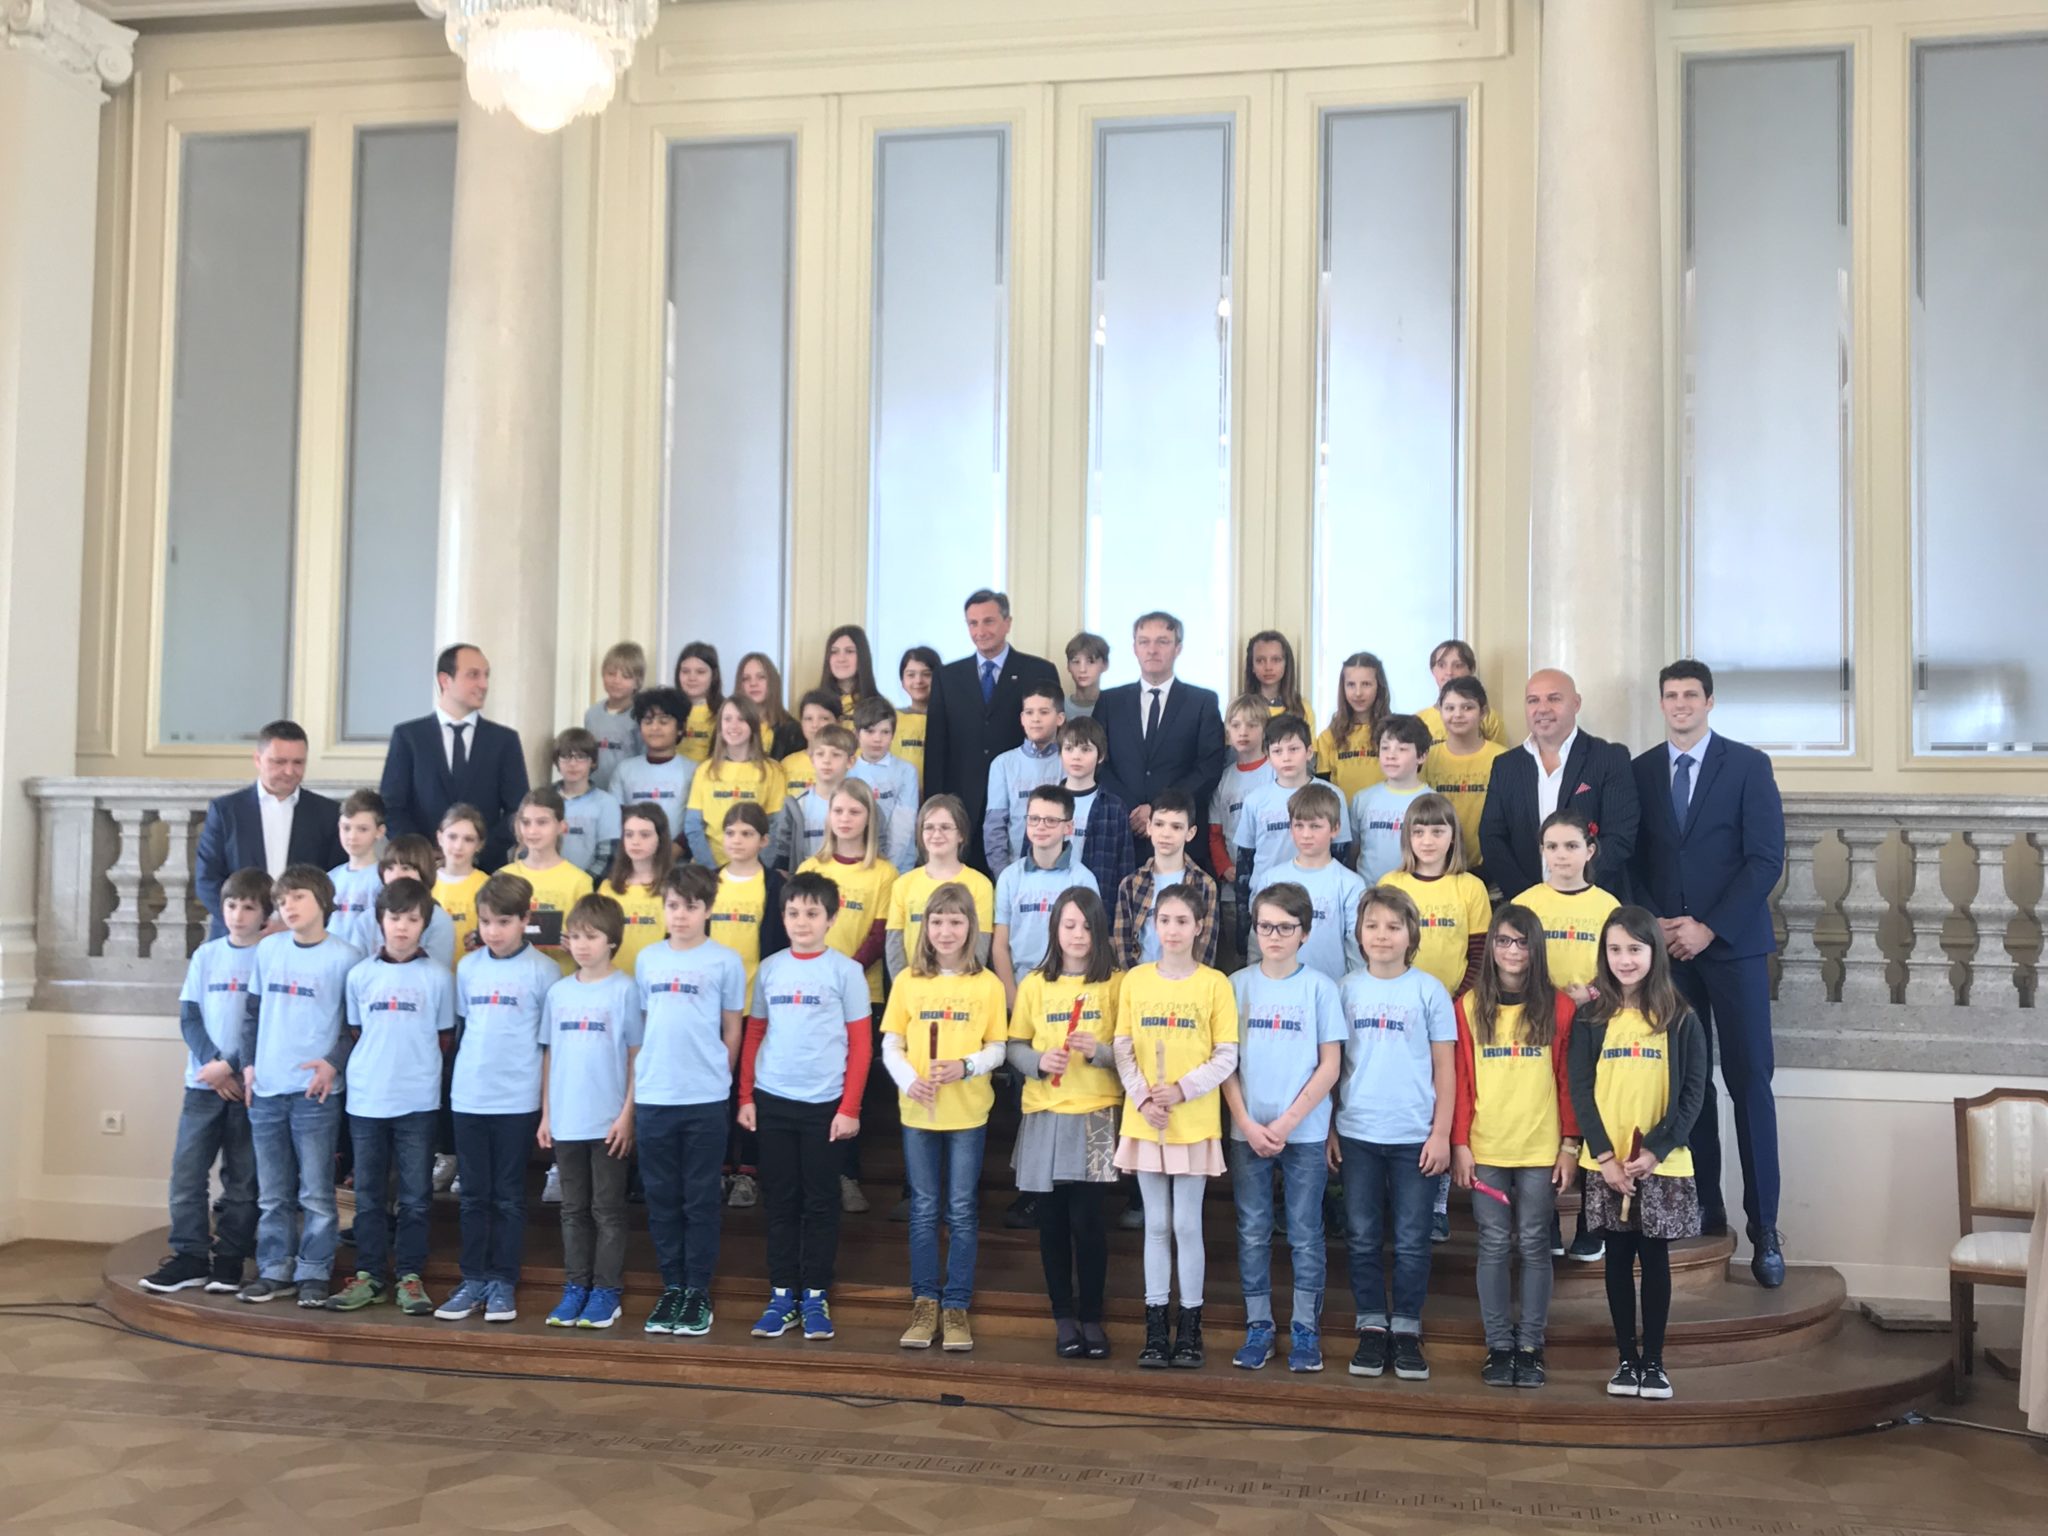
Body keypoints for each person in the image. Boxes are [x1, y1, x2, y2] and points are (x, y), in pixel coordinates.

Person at [1629, 659, 1787, 1283]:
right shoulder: (1642, 770)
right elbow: (1631, 859)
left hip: (1734, 950)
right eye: (1670, 695)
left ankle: (1766, 1230)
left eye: (1691, 695)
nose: (1681, 704)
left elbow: (1764, 859)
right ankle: (1705, 1207)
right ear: (1661, 703)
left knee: (1750, 1084)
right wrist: (1658, 924)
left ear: (1710, 701)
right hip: (1669, 955)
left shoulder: (1748, 766)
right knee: (1688, 1088)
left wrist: (1709, 927)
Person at [1567, 906, 1708, 1402]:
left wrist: (1656, 1150)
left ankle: (1655, 1363)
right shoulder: (1591, 1017)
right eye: (1615, 950)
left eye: (1634, 949)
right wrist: (1605, 1157)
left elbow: (1693, 1093)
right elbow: (1580, 1090)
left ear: (1654, 953)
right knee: (1617, 1259)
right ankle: (1626, 1359)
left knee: (1654, 1258)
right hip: (1607, 1165)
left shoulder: (1680, 1017)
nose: (1624, 959)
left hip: (1659, 1162)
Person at [739, 870, 873, 1342]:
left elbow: (861, 1045)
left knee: (820, 1203)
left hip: (825, 1105)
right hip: (773, 1100)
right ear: (783, 917)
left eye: (812, 913)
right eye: (793, 913)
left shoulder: (846, 972)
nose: (802, 921)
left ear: (831, 919)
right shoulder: (770, 968)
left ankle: (815, 1294)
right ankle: (781, 1295)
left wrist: (850, 1107)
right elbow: (755, 1033)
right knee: (780, 1202)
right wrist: (746, 1096)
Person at [1450, 904, 1579, 1390]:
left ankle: (1530, 1345)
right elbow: (1460, 1082)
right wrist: (1459, 1143)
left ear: (1536, 948)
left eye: (1522, 942)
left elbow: (1568, 1082)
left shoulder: (1559, 1007)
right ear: (1491, 948)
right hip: (1486, 1149)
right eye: (1503, 941)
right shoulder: (1467, 1007)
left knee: (1534, 1243)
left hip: (1540, 1150)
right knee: (1492, 1243)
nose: (1512, 951)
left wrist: (1569, 1145)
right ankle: (1499, 1345)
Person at [1330, 884, 1454, 1383]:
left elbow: (1446, 1069)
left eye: (1393, 926)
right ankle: (1370, 1325)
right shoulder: (1344, 989)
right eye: (1372, 926)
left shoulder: (1429, 991)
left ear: (1411, 934)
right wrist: (1329, 1128)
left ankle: (1405, 1326)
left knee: (1411, 1238)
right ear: (1359, 934)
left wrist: (1441, 1133)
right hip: (1357, 1132)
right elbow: (1332, 1066)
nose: (1382, 935)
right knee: (1361, 1234)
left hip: (1414, 1135)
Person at [1222, 883, 1346, 1374]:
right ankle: (1259, 1326)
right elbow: (1225, 1063)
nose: (1274, 936)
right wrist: (1246, 1122)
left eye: (1285, 927)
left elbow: (1330, 1065)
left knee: (1305, 1233)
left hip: (1305, 1132)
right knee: (1253, 1230)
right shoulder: (1236, 985)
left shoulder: (1320, 988)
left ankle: (1305, 1330)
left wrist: (1289, 1121)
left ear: (1305, 933)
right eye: (1265, 926)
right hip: (1248, 1131)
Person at [1114, 883, 1238, 1369]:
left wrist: (1183, 1089)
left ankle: (1189, 1328)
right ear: (1153, 925)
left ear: (1199, 927)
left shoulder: (1215, 984)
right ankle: (1154, 1327)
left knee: (1187, 1224)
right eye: (1164, 920)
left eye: (1182, 921)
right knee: (1157, 1225)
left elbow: (1226, 1055)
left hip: (1193, 1120)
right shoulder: (1136, 981)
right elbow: (1123, 1047)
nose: (1172, 930)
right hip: (1147, 1119)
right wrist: (1144, 1097)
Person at [881, 882, 1008, 1352]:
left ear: (971, 927)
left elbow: (998, 1047)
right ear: (925, 927)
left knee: (961, 1209)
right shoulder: (909, 981)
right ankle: (924, 1302)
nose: (946, 931)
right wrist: (907, 1079)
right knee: (923, 1209)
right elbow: (891, 1044)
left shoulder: (987, 984)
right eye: (937, 921)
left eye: (956, 921)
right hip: (919, 1111)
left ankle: (956, 1305)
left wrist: (966, 1066)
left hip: (967, 1113)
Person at [138, 868, 271, 1296]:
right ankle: (190, 1257)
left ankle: (229, 1259)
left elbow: (264, 1023)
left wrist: (232, 1067)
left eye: (248, 907)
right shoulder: (206, 955)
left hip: (247, 1087)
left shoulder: (270, 957)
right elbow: (190, 1017)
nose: (238, 915)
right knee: (187, 1174)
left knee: (243, 1180)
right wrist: (214, 1066)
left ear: (265, 914)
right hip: (203, 1085)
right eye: (231, 905)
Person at [237, 865, 362, 1308]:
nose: (288, 907)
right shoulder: (269, 950)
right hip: (267, 1088)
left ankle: (313, 1271)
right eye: (282, 900)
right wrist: (248, 1066)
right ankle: (275, 1270)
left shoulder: (346, 956)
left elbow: (354, 1026)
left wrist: (332, 1064)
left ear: (322, 901)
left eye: (298, 897)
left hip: (315, 1092)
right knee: (273, 1193)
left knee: (316, 1193)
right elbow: (251, 1014)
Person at [329, 877, 454, 1316]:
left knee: (415, 1195)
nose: (402, 927)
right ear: (380, 921)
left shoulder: (439, 978)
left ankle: (410, 1277)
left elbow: (443, 1037)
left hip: (418, 1100)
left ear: (425, 924)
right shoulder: (360, 975)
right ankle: (368, 1276)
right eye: (394, 917)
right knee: (368, 1193)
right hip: (367, 1098)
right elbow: (356, 1031)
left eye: (412, 919)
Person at [1008, 888, 1123, 1360]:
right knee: (1052, 1223)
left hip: (1096, 1114)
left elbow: (1129, 1054)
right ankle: (1063, 1317)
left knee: (1088, 1222)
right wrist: (1038, 1061)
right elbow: (1014, 1046)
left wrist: (1100, 1052)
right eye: (1069, 925)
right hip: (1045, 1113)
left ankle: (1092, 1315)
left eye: (1087, 926)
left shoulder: (1116, 984)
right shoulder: (1035, 984)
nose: (1078, 935)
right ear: (1054, 929)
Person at [437, 872, 556, 1325]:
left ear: (525, 919)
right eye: (486, 922)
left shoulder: (544, 971)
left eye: (504, 922)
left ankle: (503, 1280)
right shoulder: (468, 968)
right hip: (470, 1097)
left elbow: (548, 1047)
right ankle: (473, 1279)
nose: (493, 931)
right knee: (473, 1195)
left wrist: (545, 1107)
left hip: (516, 1100)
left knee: (507, 1195)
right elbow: (464, 1029)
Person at [634, 864, 747, 1337]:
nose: (680, 915)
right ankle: (672, 1287)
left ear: (708, 910)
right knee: (662, 1198)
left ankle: (697, 1290)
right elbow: (644, 1025)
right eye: (673, 906)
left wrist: (720, 1074)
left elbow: (733, 1028)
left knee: (699, 1198)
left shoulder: (726, 961)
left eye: (691, 906)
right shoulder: (647, 959)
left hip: (704, 1097)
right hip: (654, 1095)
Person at [539, 893, 643, 1331]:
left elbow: (636, 1056)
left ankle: (606, 1290)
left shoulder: (626, 990)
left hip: (608, 1122)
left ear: (612, 941)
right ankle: (575, 1285)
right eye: (576, 936)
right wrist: (547, 1115)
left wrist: (627, 1115)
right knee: (572, 1209)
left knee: (607, 1209)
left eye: (592, 936)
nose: (582, 945)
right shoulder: (558, 992)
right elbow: (549, 1055)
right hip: (566, 1119)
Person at [795, 781, 897, 1213]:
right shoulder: (810, 867)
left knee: (852, 1088)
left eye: (855, 812)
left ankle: (846, 1175)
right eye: (838, 811)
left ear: (869, 818)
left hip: (860, 994)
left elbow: (879, 935)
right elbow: (798, 931)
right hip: (810, 996)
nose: (845, 819)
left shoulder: (884, 873)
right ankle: (810, 1174)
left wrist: (842, 977)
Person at [922, 590, 1063, 871]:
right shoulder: (947, 677)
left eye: (988, 621)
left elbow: (1052, 737)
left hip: (1022, 808)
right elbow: (936, 749)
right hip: (962, 806)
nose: (980, 631)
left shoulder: (1039, 670)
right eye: (972, 623)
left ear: (1007, 623)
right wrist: (935, 807)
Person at [1478, 668, 1638, 902]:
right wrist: (1529, 898)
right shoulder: (1505, 765)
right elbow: (1492, 838)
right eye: (1533, 700)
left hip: (1593, 903)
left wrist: (1574, 890)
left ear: (1576, 703)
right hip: (1524, 907)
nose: (1542, 708)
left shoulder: (1609, 758)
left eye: (1554, 698)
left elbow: (1619, 837)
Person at [1094, 612, 1229, 872]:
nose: (1152, 649)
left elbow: (1209, 767)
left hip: (1181, 839)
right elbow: (1099, 763)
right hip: (1123, 833)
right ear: (1134, 648)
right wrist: (1133, 810)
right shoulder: (1110, 702)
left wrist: (1158, 810)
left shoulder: (1202, 702)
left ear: (1178, 648)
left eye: (1162, 642)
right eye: (1144, 641)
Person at [380, 644, 530, 870]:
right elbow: (392, 806)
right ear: (445, 680)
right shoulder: (409, 737)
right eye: (473, 675)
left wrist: (474, 851)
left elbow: (518, 809)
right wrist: (423, 853)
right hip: (421, 870)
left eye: (486, 675)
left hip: (485, 871)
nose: (484, 684)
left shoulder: (504, 740)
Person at [196, 720, 345, 940]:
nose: (289, 771)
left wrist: (292, 923)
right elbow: (207, 879)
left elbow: (336, 880)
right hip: (237, 938)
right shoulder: (226, 811)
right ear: (258, 759)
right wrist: (246, 921)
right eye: (279, 762)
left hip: (302, 938)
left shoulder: (327, 813)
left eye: (298, 762)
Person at [710, 802, 787, 1213]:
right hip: (711, 1008)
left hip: (757, 1005)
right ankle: (720, 1166)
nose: (737, 841)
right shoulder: (708, 883)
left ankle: (748, 1172)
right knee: (716, 1087)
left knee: (750, 1088)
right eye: (730, 833)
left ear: (764, 840)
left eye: (746, 834)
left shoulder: (774, 885)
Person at [992, 785, 1101, 1005]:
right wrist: (1012, 1000)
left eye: (1051, 820)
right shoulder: (1009, 877)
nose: (1040, 826)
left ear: (1068, 827)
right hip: (1020, 990)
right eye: (1034, 819)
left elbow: (1091, 944)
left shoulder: (1083, 879)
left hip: (1067, 995)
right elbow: (1000, 946)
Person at [1377, 792, 1491, 1000]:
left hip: (1456, 1002)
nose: (1427, 841)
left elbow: (1480, 956)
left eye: (1437, 832)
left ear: (1453, 836)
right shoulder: (1390, 884)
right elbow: (1381, 948)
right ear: (1407, 836)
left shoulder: (1472, 887)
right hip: (1399, 999)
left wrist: (1457, 1000)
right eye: (1418, 832)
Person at [1249, 783, 1365, 984]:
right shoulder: (1271, 879)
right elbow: (1256, 938)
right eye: (1299, 825)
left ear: (1335, 828)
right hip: (1278, 986)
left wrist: (1351, 989)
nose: (1306, 835)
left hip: (1332, 988)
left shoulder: (1350, 884)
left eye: (1315, 826)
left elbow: (1356, 947)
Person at [1236, 713, 1347, 906]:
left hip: (1319, 899)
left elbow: (1341, 853)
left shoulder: (1333, 795)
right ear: (1268, 757)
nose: (1286, 758)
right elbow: (1244, 861)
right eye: (1277, 751)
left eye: (1294, 749)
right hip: (1266, 899)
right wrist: (1243, 916)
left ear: (1309, 752)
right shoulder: (1255, 800)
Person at [886, 796, 995, 979]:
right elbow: (894, 946)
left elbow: (980, 947)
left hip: (962, 988)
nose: (936, 834)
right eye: (929, 827)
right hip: (913, 987)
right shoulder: (902, 884)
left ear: (961, 835)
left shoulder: (980, 885)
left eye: (945, 827)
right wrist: (906, 986)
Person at [1112, 790, 1219, 969]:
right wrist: (1134, 978)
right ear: (1149, 827)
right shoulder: (1130, 884)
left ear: (1190, 832)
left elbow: (1205, 947)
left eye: (1176, 827)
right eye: (1159, 824)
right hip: (1141, 978)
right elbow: (1122, 944)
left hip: (1187, 980)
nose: (1166, 833)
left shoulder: (1205, 885)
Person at [684, 696, 788, 868]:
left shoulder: (772, 771)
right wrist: (710, 868)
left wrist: (760, 868)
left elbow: (776, 826)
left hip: (754, 868)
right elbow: (693, 826)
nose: (733, 725)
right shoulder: (705, 770)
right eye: (727, 719)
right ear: (720, 725)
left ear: (753, 724)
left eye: (741, 719)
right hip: (710, 868)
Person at [1207, 695, 1276, 950]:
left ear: (1265, 728)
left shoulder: (1275, 772)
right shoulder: (1224, 779)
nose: (1243, 732)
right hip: (1233, 889)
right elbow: (1215, 832)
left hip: (1272, 884)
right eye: (1235, 725)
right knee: (1237, 958)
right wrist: (1224, 867)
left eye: (1252, 725)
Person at [505, 789, 596, 976]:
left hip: (561, 980)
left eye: (542, 822)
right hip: (513, 979)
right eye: (526, 822)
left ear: (562, 826)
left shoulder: (579, 882)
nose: (532, 831)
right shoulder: (503, 877)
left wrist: (577, 946)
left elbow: (591, 944)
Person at [1424, 676, 1507, 880]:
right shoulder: (1427, 758)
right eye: (1450, 708)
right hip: (1438, 868)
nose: (1458, 715)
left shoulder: (1503, 758)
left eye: (1467, 707)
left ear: (1483, 712)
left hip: (1492, 870)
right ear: (1440, 711)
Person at [981, 682, 1065, 878]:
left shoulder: (1068, 762)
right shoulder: (1003, 764)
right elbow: (994, 827)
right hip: (1015, 871)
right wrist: (1004, 875)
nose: (1035, 719)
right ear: (1021, 718)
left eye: (1044, 712)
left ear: (1060, 718)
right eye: (1029, 712)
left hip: (1062, 870)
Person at [1057, 715, 1135, 898]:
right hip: (1052, 899)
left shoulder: (1114, 808)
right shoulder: (1046, 802)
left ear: (1100, 756)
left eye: (1085, 749)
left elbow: (1125, 868)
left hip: (1098, 902)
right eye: (1069, 748)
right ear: (1060, 753)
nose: (1076, 756)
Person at [1350, 715, 1434, 883]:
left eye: (1402, 749)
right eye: (1385, 748)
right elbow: (1354, 850)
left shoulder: (1433, 802)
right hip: (1369, 893)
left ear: (1422, 756)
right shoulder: (1363, 799)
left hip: (1415, 893)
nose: (1391, 755)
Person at [609, 688, 697, 848]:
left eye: (663, 722)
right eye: (648, 721)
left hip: (678, 858)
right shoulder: (624, 770)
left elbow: (695, 823)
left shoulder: (694, 771)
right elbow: (616, 819)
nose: (654, 728)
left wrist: (671, 853)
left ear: (680, 728)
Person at [599, 802, 674, 979]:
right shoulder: (607, 888)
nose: (635, 841)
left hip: (658, 980)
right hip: (614, 981)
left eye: (645, 835)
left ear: (660, 839)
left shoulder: (673, 887)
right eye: (629, 834)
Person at [768, 721, 854, 873]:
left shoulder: (860, 805)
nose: (826, 760)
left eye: (835, 755)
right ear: (812, 759)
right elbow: (783, 853)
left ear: (850, 762)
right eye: (820, 754)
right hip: (807, 881)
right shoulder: (797, 806)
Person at [847, 697, 919, 869]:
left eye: (885, 732)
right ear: (856, 733)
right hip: (856, 864)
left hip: (899, 865)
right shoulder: (846, 770)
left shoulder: (906, 771)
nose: (877, 739)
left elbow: (903, 825)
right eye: (870, 731)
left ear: (893, 734)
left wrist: (888, 867)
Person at [1313, 652, 1390, 804]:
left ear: (1379, 687)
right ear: (1343, 687)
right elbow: (1323, 791)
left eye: (1366, 684)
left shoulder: (1393, 733)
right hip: (1342, 816)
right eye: (1351, 685)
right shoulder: (1328, 737)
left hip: (1385, 815)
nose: (1358, 693)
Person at [377, 835, 457, 969]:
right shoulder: (366, 918)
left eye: (406, 868)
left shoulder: (439, 920)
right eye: (390, 868)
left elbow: (437, 971)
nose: (396, 875)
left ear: (424, 871)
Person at [554, 727, 622, 880]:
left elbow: (607, 857)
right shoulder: (544, 799)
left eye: (581, 757)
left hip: (588, 886)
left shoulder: (607, 803)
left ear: (593, 762)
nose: (573, 763)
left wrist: (583, 885)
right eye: (565, 756)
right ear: (557, 761)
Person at [326, 790, 386, 956]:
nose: (352, 836)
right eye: (346, 828)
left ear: (379, 832)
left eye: (362, 829)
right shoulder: (330, 878)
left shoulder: (384, 878)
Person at [1415, 639, 1508, 746]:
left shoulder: (1488, 718)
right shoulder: (1420, 720)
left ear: (1471, 670)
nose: (1449, 672)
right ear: (1432, 670)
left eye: (1458, 665)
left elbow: (1500, 754)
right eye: (1441, 665)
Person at [433, 804, 490, 963]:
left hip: (474, 970)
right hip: (431, 971)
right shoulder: (425, 882)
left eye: (468, 839)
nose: (458, 846)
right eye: (452, 837)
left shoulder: (488, 886)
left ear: (479, 845)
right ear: (440, 838)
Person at [584, 640, 647, 786]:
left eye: (626, 676)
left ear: (637, 682)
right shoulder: (592, 714)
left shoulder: (641, 716)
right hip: (596, 789)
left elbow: (644, 758)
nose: (616, 681)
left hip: (628, 790)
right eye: (611, 674)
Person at [1242, 630, 1316, 736]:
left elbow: (1309, 746)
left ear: (1286, 664)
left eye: (1276, 660)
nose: (1268, 667)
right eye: (1260, 660)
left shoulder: (1303, 709)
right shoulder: (1240, 708)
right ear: (1252, 666)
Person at [735, 651, 804, 760]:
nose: (753, 683)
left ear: (772, 682)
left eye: (761, 677)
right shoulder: (730, 727)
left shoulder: (793, 731)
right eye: (746, 679)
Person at [778, 690, 842, 799]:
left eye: (824, 718)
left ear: (839, 722)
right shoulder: (787, 764)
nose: (815, 725)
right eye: (808, 719)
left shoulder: (847, 763)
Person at [893, 645, 940, 789]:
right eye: (911, 675)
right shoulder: (892, 718)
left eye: (926, 674)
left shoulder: (951, 719)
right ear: (902, 681)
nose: (918, 681)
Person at [671, 641, 722, 762]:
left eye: (700, 672)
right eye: (685, 671)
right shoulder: (668, 709)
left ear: (714, 675)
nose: (692, 678)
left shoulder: (724, 711)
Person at [819, 624, 880, 723]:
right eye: (834, 652)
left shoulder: (880, 707)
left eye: (849, 651)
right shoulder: (816, 704)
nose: (841, 659)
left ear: (862, 656)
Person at [1063, 631, 1109, 719]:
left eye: (1091, 661)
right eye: (1076, 662)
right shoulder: (1058, 708)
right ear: (1068, 666)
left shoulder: (1113, 706)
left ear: (1105, 665)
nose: (1082, 669)